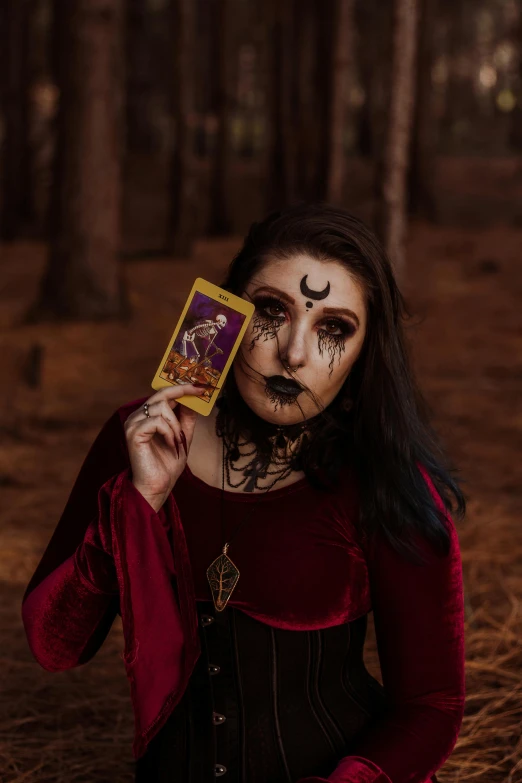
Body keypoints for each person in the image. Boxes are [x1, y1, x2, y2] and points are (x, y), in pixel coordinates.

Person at [21, 203, 466, 783]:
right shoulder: (139, 437)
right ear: (227, 314)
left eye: (333, 328)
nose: (295, 352)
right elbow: (56, 648)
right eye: (272, 312)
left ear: (363, 357)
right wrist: (139, 502)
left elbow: (432, 707)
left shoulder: (387, 481)